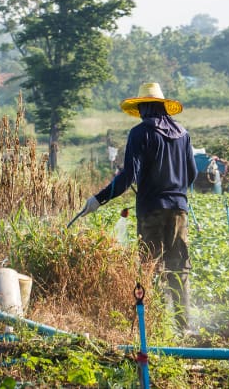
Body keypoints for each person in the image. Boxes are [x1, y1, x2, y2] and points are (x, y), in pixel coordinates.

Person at [80, 82, 197, 331]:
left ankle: (152, 325)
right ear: (163, 106)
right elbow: (192, 173)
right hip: (178, 208)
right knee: (178, 267)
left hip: (151, 209)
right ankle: (183, 326)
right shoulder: (183, 133)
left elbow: (127, 178)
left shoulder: (140, 133)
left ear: (143, 107)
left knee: (149, 267)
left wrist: (98, 199)